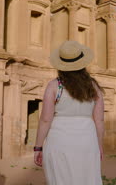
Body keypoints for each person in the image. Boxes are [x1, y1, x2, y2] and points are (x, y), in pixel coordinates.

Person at [33, 40, 104, 185]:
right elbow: (99, 120)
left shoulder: (54, 86)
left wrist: (38, 147)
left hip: (60, 141)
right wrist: (99, 146)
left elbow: (46, 119)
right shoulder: (94, 87)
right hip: (88, 141)